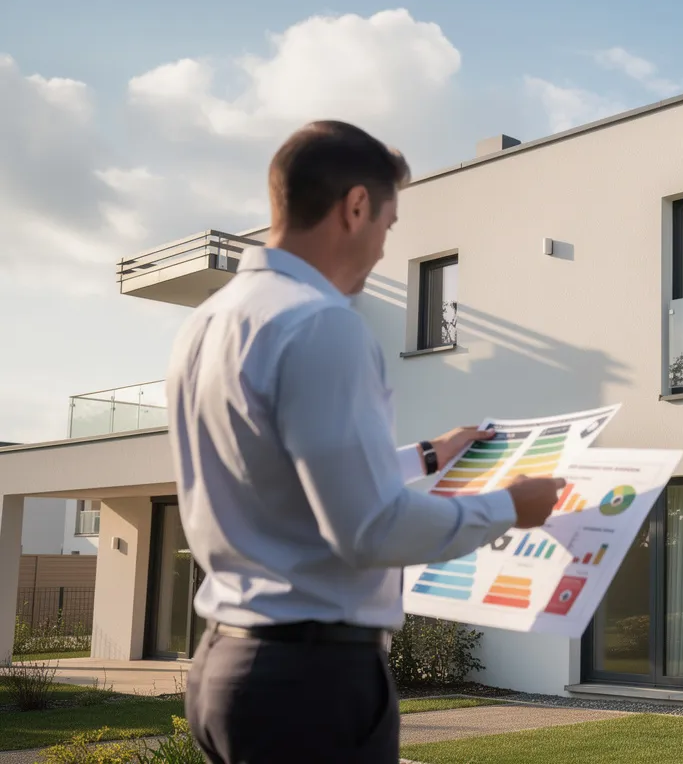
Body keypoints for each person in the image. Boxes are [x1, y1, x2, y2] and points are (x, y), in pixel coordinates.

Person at [167, 121, 566, 764]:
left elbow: (280, 477)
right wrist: (509, 508)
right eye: (388, 224)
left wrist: (429, 456)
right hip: (310, 685)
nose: (384, 249)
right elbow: (371, 530)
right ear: (355, 207)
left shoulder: (208, 323)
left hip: (227, 665)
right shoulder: (322, 325)